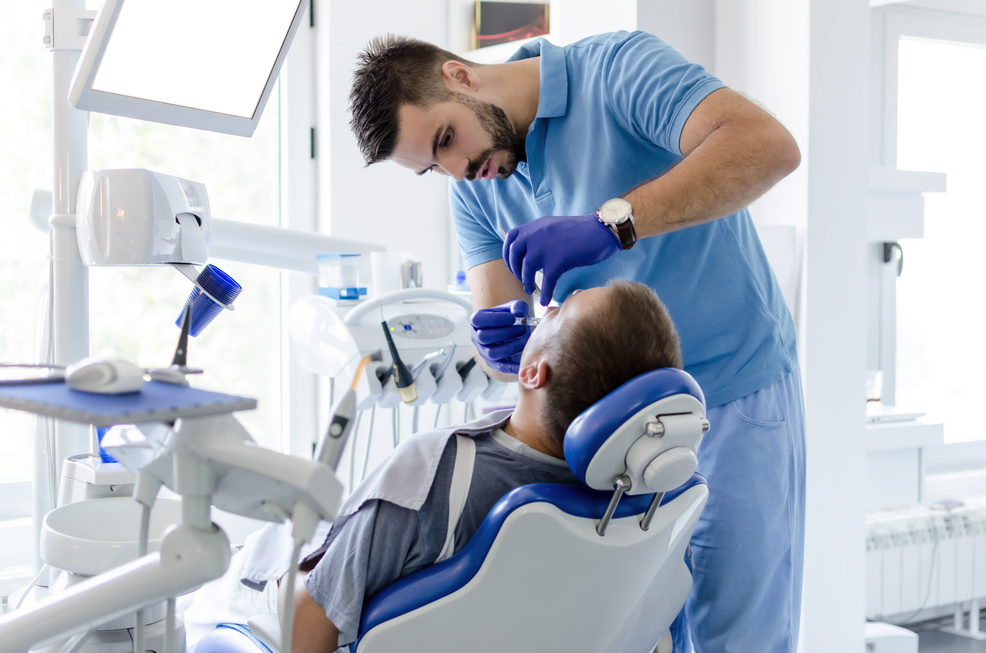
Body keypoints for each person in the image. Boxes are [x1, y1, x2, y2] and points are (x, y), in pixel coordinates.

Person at [348, 31, 806, 653]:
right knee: (637, 634)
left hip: (730, 394)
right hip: (604, 434)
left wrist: (614, 223)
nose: (458, 171)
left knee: (736, 633)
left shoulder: (616, 71)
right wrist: (502, 347)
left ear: (459, 77)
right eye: (435, 167)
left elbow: (768, 148)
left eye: (446, 140)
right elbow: (500, 316)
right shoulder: (476, 186)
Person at [189, 281, 682, 652]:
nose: (546, 306)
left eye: (559, 312)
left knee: (207, 583)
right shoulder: (640, 503)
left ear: (533, 372)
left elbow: (303, 632)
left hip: (267, 601)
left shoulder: (430, 475)